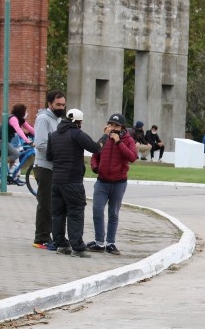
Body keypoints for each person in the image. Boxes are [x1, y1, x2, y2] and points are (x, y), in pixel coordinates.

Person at [46, 109, 101, 258]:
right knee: (75, 212)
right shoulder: (76, 133)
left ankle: (61, 245)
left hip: (56, 180)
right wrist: (105, 137)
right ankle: (77, 247)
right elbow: (95, 148)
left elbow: (49, 156)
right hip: (72, 181)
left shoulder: (54, 135)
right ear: (78, 122)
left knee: (58, 213)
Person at [88, 113, 138, 255]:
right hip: (102, 181)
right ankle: (99, 242)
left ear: (122, 127)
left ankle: (111, 243)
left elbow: (132, 157)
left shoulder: (128, 140)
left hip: (119, 182)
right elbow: (95, 154)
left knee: (113, 213)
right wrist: (95, 167)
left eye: (116, 125)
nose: (113, 128)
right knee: (97, 210)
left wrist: (118, 142)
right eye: (111, 124)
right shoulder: (104, 138)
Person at [32, 91, 66, 250]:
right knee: (45, 203)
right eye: (58, 104)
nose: (61, 107)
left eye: (63, 105)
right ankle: (41, 238)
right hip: (44, 167)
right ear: (49, 104)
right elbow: (40, 143)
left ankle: (53, 235)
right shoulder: (43, 119)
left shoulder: (59, 120)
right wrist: (58, 154)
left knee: (54, 204)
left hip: (55, 167)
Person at [0, 103, 35, 184]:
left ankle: (12, 177)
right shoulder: (13, 119)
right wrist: (27, 140)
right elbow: (19, 130)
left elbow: (30, 129)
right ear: (21, 112)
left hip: (5, 141)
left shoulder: (20, 120)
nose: (26, 113)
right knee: (16, 154)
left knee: (14, 158)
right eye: (25, 111)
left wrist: (42, 137)